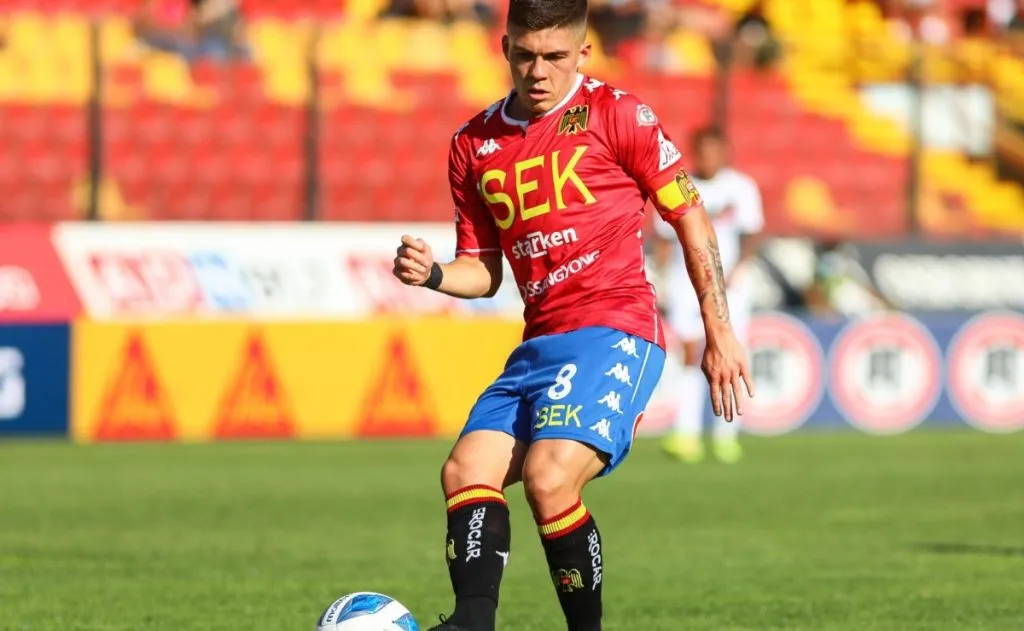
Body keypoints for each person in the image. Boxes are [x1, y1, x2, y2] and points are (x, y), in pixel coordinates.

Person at [392, 1, 753, 629]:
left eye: (555, 57)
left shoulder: (619, 115)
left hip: (616, 330)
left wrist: (720, 331)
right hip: (539, 345)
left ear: (582, 53)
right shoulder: (473, 145)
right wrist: (436, 276)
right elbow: (483, 270)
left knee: (548, 477)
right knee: (465, 469)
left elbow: (689, 215)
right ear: (504, 48)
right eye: (526, 55)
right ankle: (472, 623)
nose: (539, 71)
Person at [654, 126, 764, 465]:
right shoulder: (682, 183)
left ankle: (726, 436)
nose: (708, 157)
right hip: (687, 284)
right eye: (703, 151)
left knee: (730, 353)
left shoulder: (740, 187)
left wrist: (738, 268)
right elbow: (663, 236)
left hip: (728, 287)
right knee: (690, 352)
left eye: (715, 150)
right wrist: (660, 275)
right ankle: (686, 434)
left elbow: (752, 232)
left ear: (725, 152)